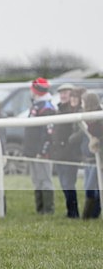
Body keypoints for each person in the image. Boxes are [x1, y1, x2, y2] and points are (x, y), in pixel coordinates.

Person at [23, 77, 56, 215]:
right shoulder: (36, 106)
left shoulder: (47, 108)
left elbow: (48, 133)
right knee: (36, 181)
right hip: (32, 151)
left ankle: (48, 210)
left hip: (42, 153)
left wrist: (42, 151)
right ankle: (40, 209)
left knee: (45, 180)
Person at [51, 83, 81, 218]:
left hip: (70, 155)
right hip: (59, 154)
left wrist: (67, 147)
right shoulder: (59, 109)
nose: (63, 95)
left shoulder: (74, 111)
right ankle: (70, 211)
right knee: (64, 184)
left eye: (66, 93)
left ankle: (73, 213)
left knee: (69, 184)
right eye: (61, 93)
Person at [79, 91, 102, 219]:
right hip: (88, 158)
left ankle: (89, 215)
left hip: (97, 159)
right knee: (89, 187)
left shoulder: (98, 119)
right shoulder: (86, 118)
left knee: (92, 188)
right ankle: (89, 216)